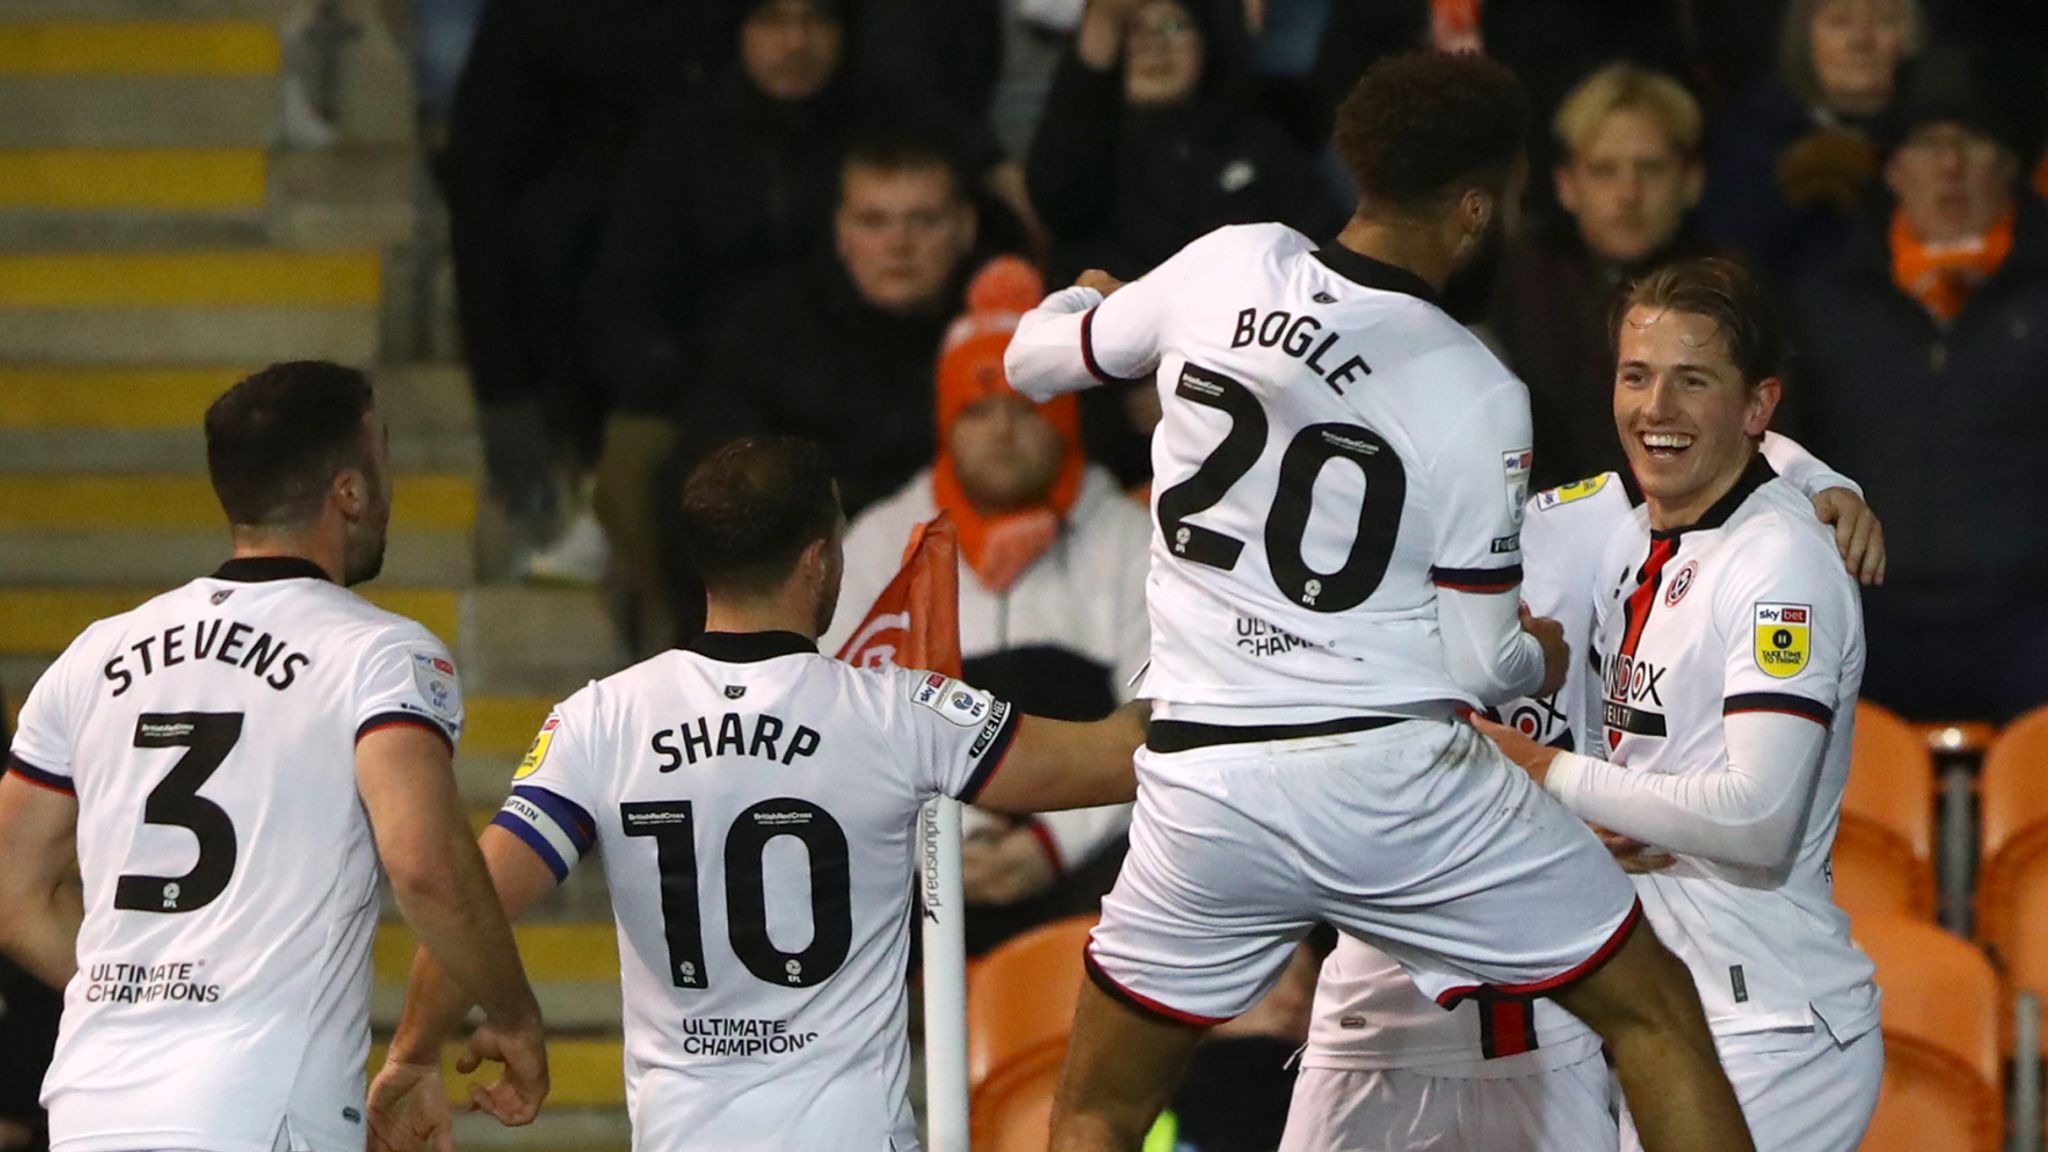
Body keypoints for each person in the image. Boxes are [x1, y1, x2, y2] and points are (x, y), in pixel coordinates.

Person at [1005, 51, 1754, 1152]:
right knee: (1651, 1012)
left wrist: (1102, 301)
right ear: (1472, 206)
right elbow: (1475, 663)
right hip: (1388, 781)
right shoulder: (1472, 384)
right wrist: (1543, 654)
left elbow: (1032, 363)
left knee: (1102, 1108)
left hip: (1203, 780)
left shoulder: (1224, 265)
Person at [367, 435, 1149, 1151]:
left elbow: (475, 897)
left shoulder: (599, 721)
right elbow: (1115, 759)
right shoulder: (898, 713)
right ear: (818, 560)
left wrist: (414, 1049)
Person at [0, 362, 547, 1152]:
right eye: (382, 458)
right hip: (259, 1108)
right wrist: (515, 1016)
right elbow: (425, 864)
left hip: (93, 1108)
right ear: (349, 490)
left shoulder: (94, 656)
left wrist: (142, 994)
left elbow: (12, 893)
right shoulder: (377, 654)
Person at [1285, 454, 1884, 1149]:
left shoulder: (1583, 523)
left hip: (1557, 1043)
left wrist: (1826, 483)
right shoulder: (1314, 583)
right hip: (1378, 1024)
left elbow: (1713, 425)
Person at [1482, 258, 1884, 1152]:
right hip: (1665, 1012)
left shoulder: (1783, 566)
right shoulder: (1628, 536)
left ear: (1757, 407)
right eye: (1636, 376)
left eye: (1692, 381)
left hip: (1773, 1027)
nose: (1654, 407)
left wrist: (1553, 775)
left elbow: (1757, 820)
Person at [821, 263, 1152, 953]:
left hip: (1085, 864)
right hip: (918, 860)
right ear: (946, 419)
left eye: (1026, 409)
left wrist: (1050, 843)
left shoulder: (1129, 538)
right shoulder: (885, 539)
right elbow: (836, 720)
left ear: (1063, 416)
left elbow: (1159, 723)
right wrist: (947, 846)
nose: (1002, 431)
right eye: (977, 410)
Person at [600, 129, 994, 648]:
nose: (899, 244)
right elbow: (715, 479)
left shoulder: (1005, 335)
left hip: (980, 588)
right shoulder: (771, 325)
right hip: (796, 584)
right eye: (874, 221)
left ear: (965, 228)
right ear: (840, 231)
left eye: (923, 221)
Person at [1788, 39, 2048, 723]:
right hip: (1868, 618)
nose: (1952, 165)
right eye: (1929, 143)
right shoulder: (1826, 297)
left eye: (1975, 142)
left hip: (2029, 620)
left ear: (2014, 165)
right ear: (1893, 167)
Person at [1026, 0, 1343, 484]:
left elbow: (1324, 278)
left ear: (1209, 41)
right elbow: (1056, 196)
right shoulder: (1085, 158)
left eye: (1174, 26)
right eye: (1135, 31)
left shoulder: (1264, 146)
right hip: (1112, 444)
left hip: (1262, 419)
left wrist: (1203, 387)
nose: (1155, 46)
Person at [1490, 62, 1713, 489]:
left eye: (1650, 169)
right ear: (1566, 184)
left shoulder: (1734, 295)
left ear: (1691, 180)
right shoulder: (1511, 286)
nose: (1628, 194)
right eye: (1604, 171)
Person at [1699, 0, 1925, 282]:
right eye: (1839, 22)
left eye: (1885, 21)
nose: (1861, 41)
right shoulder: (1751, 135)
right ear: (1804, 38)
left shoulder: (1943, 137)